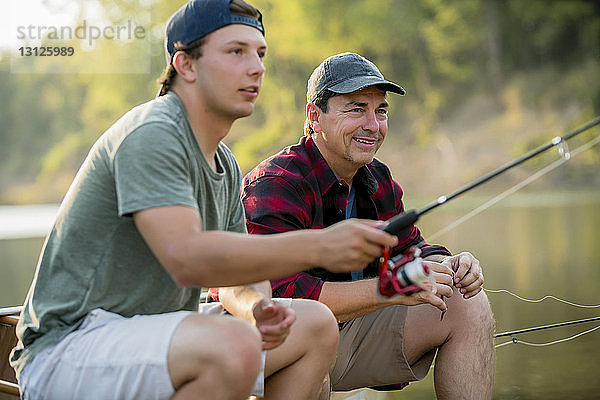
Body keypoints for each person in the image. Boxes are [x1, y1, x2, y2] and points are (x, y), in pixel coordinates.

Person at [9, 4, 399, 399]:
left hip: (159, 332)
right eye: (236, 52)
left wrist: (256, 307)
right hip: (68, 348)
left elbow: (239, 276)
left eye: (259, 53)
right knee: (228, 343)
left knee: (313, 323)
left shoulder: (224, 162)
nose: (257, 67)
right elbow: (188, 258)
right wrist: (320, 245)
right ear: (186, 65)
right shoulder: (153, 133)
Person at [241, 52, 496, 399]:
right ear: (315, 117)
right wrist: (392, 288)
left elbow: (410, 248)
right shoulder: (276, 182)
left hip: (352, 336)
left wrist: (449, 264)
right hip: (284, 343)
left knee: (467, 302)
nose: (373, 125)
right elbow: (278, 298)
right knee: (308, 328)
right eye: (357, 109)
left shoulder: (377, 177)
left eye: (381, 111)